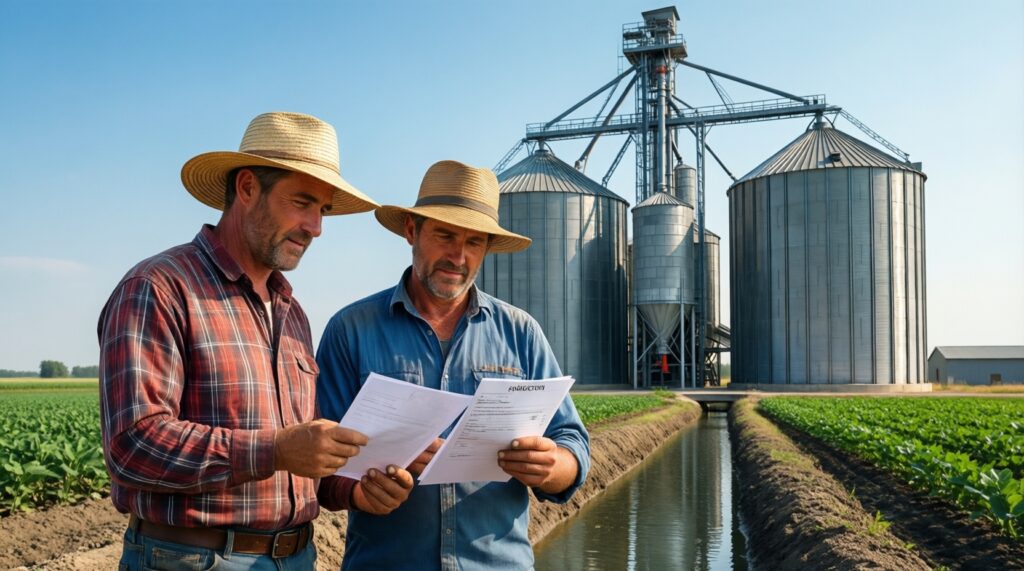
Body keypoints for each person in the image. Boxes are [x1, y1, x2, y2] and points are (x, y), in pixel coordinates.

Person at [98, 111, 414, 570]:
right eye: (302, 202)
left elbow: (304, 462)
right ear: (247, 188)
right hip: (190, 557)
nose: (316, 227)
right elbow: (133, 444)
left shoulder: (292, 313)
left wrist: (355, 490)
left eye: (322, 210)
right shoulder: (161, 287)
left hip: (296, 556)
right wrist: (276, 449)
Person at [315, 159, 591, 569]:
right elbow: (319, 467)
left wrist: (552, 466)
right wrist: (358, 493)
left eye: (475, 242)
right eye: (445, 235)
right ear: (412, 230)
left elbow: (572, 443)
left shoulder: (521, 332)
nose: (458, 256)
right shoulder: (350, 330)